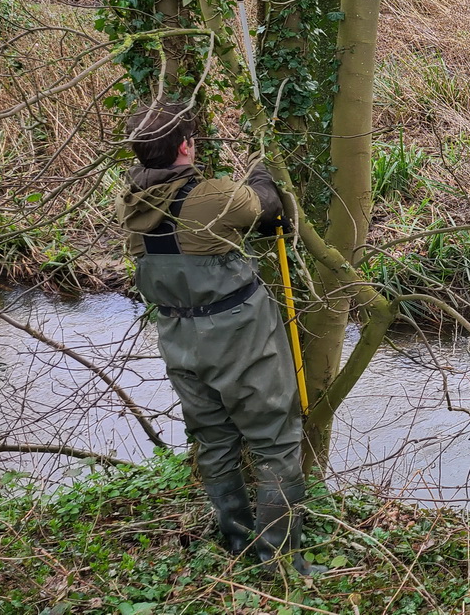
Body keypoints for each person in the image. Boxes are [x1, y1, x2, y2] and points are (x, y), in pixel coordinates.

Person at [117, 103, 321, 576]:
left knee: (214, 439)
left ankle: (236, 539)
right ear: (186, 145)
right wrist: (261, 168)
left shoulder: (130, 201)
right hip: (237, 336)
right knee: (275, 440)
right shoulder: (212, 197)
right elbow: (266, 206)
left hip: (177, 338)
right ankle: (281, 561)